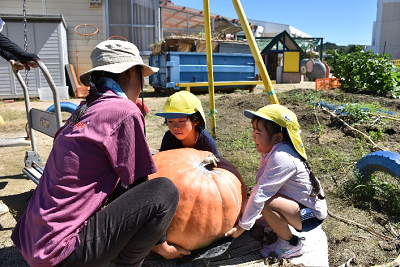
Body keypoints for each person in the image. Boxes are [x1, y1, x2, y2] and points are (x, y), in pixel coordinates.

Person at [11, 40, 190, 267]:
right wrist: (161, 244)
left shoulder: (83, 109)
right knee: (164, 191)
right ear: (132, 73)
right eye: (142, 77)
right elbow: (138, 185)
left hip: (32, 241)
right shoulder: (124, 111)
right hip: (61, 254)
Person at [225, 104, 327, 259]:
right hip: (297, 205)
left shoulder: (282, 157)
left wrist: (242, 227)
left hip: (310, 215)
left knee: (266, 201)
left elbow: (261, 193)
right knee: (262, 201)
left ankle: (291, 244)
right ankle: (275, 223)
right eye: (253, 131)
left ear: (277, 137)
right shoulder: (273, 151)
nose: (253, 136)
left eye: (258, 132)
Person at [155, 90, 219, 156]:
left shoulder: (205, 141)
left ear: (196, 120)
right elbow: (163, 160)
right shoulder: (169, 138)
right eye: (170, 121)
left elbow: (216, 163)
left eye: (181, 121)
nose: (175, 127)